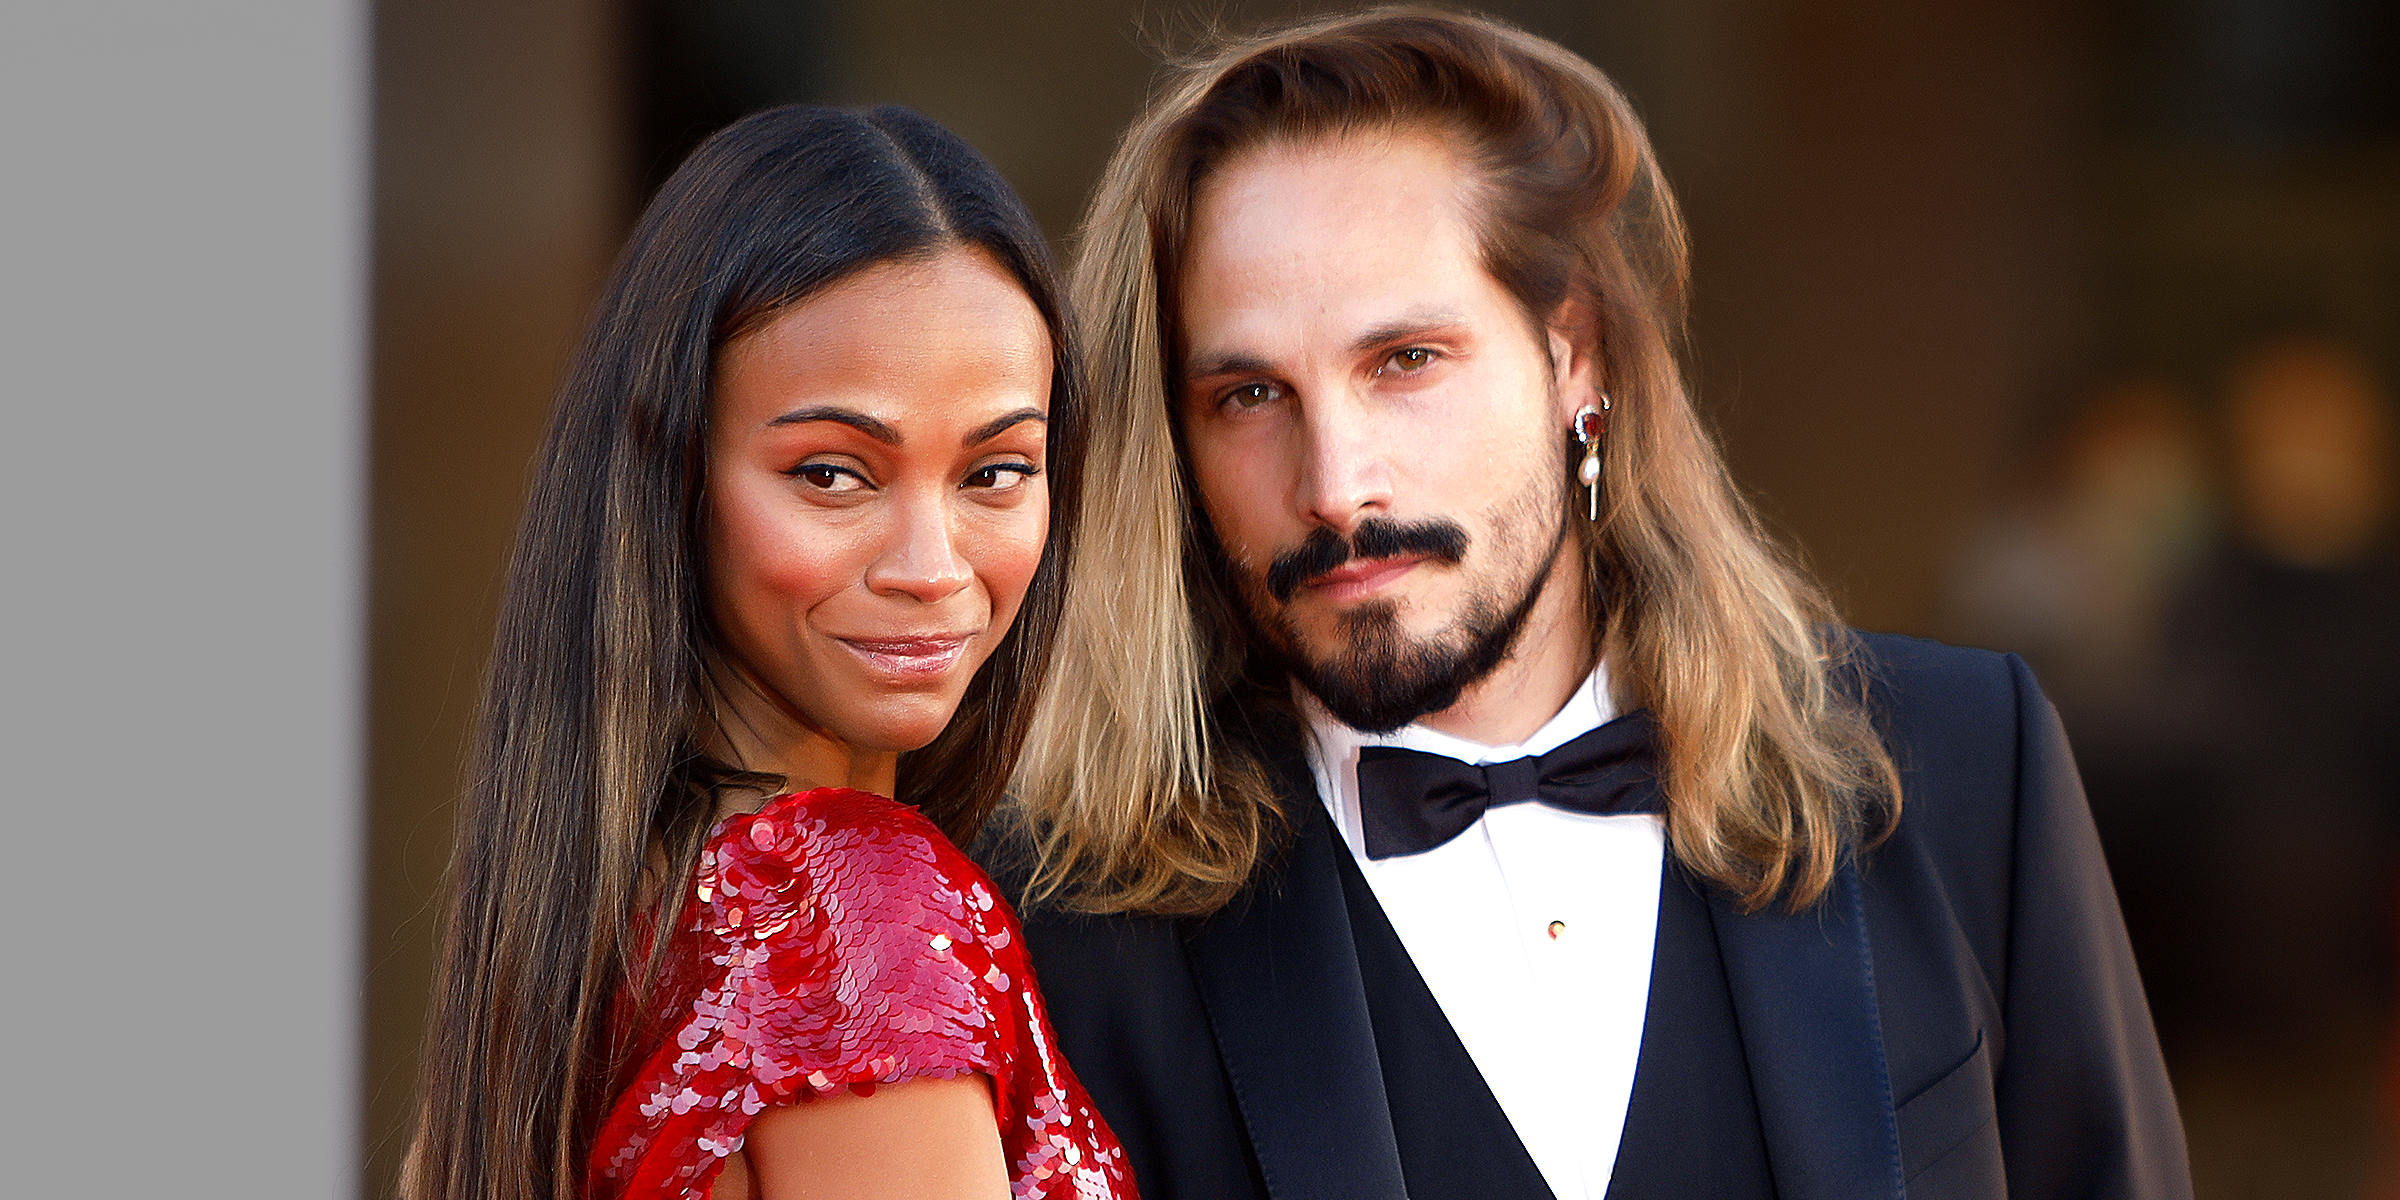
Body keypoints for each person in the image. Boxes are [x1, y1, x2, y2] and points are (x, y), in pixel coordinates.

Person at [986, 10, 2191, 1200]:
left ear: (1576, 360)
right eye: (1250, 394)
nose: (1335, 485)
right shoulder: (1072, 929)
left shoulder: (1968, 766)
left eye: (1405, 362)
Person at [405, 105, 1132, 1200]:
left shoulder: (598, 918)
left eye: (996, 472)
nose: (931, 568)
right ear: (676, 480)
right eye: (833, 474)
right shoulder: (848, 915)